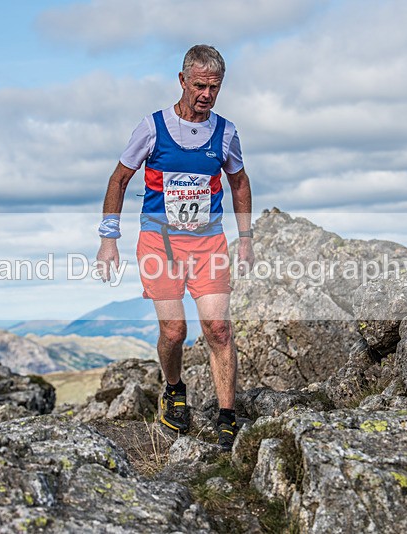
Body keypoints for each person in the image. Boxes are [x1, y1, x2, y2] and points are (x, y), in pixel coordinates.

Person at [96, 44, 254, 451]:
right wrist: (108, 240)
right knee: (174, 329)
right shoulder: (152, 128)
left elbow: (239, 181)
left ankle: (226, 417)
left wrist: (246, 238)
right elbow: (118, 180)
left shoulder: (226, 132)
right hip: (159, 243)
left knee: (218, 328)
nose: (206, 94)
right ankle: (174, 390)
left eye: (214, 88)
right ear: (182, 81)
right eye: (199, 85)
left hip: (208, 243)